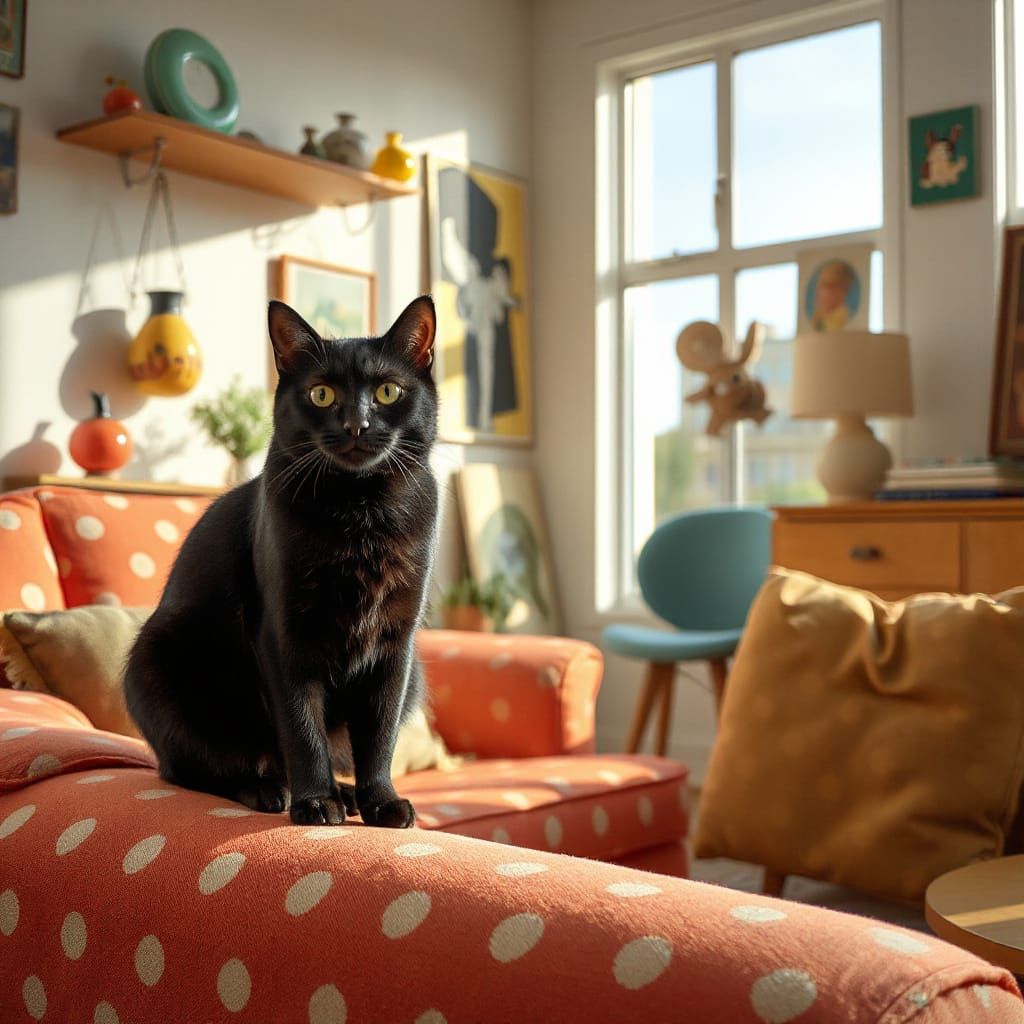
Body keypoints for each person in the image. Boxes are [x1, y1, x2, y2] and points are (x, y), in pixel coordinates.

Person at [810, 260, 856, 332]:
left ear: (842, 291)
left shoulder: (843, 322)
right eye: (819, 285)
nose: (819, 292)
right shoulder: (818, 318)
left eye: (827, 286)